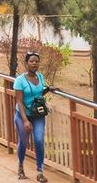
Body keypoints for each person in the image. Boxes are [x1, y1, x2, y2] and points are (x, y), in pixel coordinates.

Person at [14, 51, 58, 182]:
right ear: (26, 63)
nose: (34, 63)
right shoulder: (19, 80)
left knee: (39, 140)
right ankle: (21, 167)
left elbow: (38, 94)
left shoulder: (40, 77)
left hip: (37, 115)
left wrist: (49, 89)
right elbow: (19, 101)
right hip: (23, 115)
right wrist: (26, 121)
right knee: (23, 142)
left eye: (36, 61)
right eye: (31, 61)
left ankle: (40, 171)